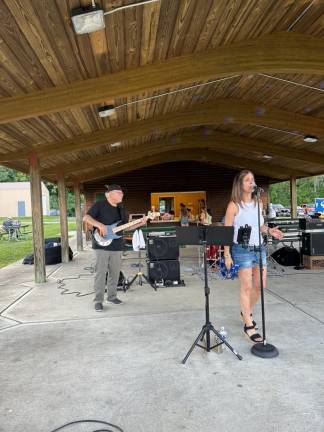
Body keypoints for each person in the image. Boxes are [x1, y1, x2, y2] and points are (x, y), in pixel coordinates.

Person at [223, 170, 282, 343]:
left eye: (253, 180)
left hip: (259, 249)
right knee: (246, 287)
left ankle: (245, 311)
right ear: (240, 184)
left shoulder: (258, 203)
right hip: (242, 250)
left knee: (260, 286)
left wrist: (270, 231)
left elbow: (260, 226)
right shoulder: (233, 205)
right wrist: (227, 255)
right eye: (247, 180)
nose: (251, 183)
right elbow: (227, 233)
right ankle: (248, 325)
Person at [83, 184, 146, 312]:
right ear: (109, 194)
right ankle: (98, 301)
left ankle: (111, 297)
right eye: (118, 192)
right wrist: (99, 225)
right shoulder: (99, 205)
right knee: (100, 274)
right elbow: (86, 218)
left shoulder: (121, 209)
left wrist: (140, 223)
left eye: (122, 193)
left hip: (117, 246)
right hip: (101, 245)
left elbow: (125, 227)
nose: (121, 194)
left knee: (115, 273)